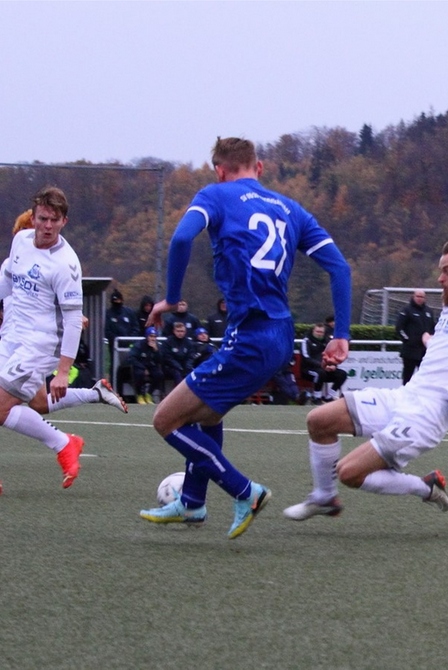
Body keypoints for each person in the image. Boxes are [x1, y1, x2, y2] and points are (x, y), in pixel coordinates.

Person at [138, 136, 351, 539]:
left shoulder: (215, 195)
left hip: (251, 336)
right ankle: (192, 503)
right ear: (261, 167)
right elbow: (340, 268)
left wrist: (171, 297)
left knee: (166, 419)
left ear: (219, 170)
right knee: (207, 414)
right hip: (278, 335)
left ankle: (244, 491)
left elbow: (182, 238)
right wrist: (341, 335)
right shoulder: (292, 210)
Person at [283, 193, 448, 522]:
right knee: (318, 421)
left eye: (447, 271)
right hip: (406, 395)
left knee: (349, 472)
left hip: (430, 413)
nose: (439, 278)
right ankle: (323, 496)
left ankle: (425, 487)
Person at [0, 209, 127, 472]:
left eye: (25, 229)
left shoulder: (57, 261)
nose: (23, 235)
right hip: (12, 343)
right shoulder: (16, 256)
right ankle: (95, 394)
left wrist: (72, 322)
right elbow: (1, 288)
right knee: (34, 402)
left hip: (33, 347)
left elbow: (63, 302)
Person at [0, 187, 88, 495]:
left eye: (55, 220)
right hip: (12, 338)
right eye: (43, 218)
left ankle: (64, 443)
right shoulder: (21, 241)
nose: (47, 226)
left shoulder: (66, 264)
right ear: (33, 217)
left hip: (41, 345)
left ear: (65, 221)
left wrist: (63, 371)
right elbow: (7, 282)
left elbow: (75, 319)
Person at [395, 289, 435, 384]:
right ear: (413, 296)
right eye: (418, 296)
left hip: (424, 353)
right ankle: (405, 397)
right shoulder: (406, 310)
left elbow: (433, 328)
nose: (419, 299)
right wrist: (408, 340)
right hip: (410, 352)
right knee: (407, 377)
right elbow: (399, 328)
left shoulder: (429, 311)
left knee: (425, 378)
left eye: (422, 297)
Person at [301, 323, 348, 403]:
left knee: (342, 374)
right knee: (320, 373)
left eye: (321, 332)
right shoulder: (306, 341)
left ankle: (329, 396)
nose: (319, 334)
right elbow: (306, 358)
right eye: (317, 331)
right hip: (309, 370)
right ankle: (316, 397)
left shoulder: (328, 342)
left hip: (325, 368)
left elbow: (332, 356)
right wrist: (321, 365)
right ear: (313, 331)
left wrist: (333, 365)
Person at [128, 326, 164, 405]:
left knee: (159, 374)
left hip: (151, 366)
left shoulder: (157, 346)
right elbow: (131, 358)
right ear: (147, 336)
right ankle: (140, 395)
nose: (153, 339)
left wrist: (156, 351)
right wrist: (143, 368)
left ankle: (149, 394)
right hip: (139, 366)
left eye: (154, 337)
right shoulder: (139, 345)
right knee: (139, 374)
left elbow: (160, 361)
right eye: (151, 336)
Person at [161, 321, 195, 392]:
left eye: (182, 331)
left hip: (184, 366)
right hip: (171, 367)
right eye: (178, 331)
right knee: (177, 374)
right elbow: (167, 357)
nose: (180, 333)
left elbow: (191, 356)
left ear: (185, 332)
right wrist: (177, 366)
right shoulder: (168, 341)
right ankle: (180, 393)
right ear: (174, 331)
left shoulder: (188, 342)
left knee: (192, 374)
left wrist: (187, 366)